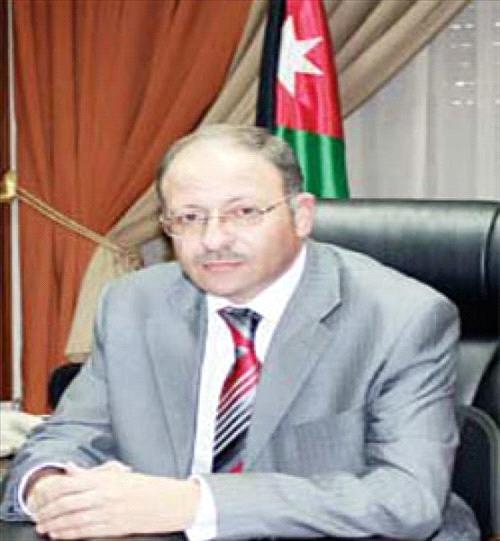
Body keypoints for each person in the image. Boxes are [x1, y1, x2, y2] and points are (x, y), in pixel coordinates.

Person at [0, 125, 479, 540]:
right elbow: (69, 434)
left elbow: (407, 497)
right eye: (189, 217)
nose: (213, 240)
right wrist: (48, 485)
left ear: (301, 215)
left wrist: (195, 504)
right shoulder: (133, 304)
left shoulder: (401, 318)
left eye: (244, 212)